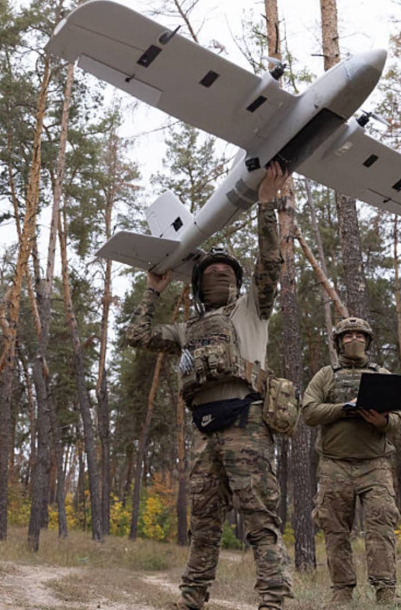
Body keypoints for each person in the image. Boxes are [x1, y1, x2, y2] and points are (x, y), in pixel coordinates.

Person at [127, 162, 292, 610]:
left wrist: (266, 207)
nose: (218, 274)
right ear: (199, 286)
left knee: (260, 518)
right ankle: (191, 600)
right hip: (204, 432)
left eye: (226, 270)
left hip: (246, 423)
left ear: (238, 282)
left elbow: (270, 263)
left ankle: (273, 601)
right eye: (211, 270)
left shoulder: (252, 308)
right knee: (203, 523)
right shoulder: (188, 329)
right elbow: (138, 335)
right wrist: (153, 289)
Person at [301, 317, 401, 605]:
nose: (353, 339)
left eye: (359, 335)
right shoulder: (326, 376)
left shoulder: (382, 374)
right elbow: (308, 412)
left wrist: (383, 420)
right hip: (335, 465)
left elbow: (399, 420)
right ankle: (342, 591)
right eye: (347, 336)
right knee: (335, 530)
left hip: (376, 465)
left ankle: (386, 592)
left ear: (368, 341)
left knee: (381, 526)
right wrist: (343, 409)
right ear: (338, 342)